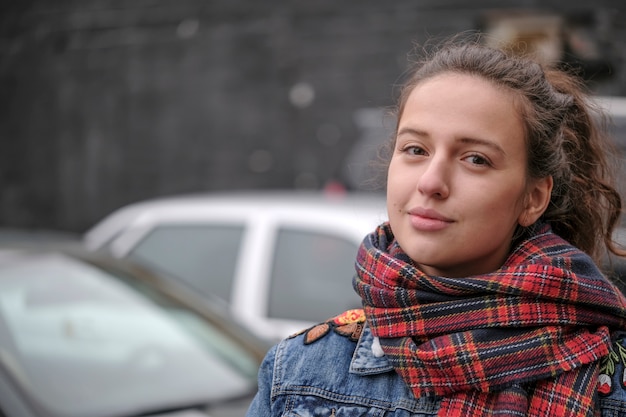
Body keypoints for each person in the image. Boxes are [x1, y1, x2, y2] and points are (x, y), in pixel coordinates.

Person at [246, 36, 626, 417]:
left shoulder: (612, 379)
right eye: (415, 150)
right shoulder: (299, 374)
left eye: (475, 159)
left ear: (533, 198)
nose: (431, 182)